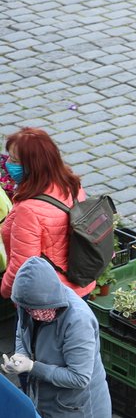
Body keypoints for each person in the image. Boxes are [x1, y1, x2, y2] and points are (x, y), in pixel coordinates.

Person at [2, 256, 112, 418]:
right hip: (49, 411)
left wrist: (33, 368)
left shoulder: (78, 321)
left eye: (33, 310)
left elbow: (79, 377)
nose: (30, 315)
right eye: (25, 309)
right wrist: (20, 358)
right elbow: (22, 334)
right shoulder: (30, 305)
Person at [1, 128, 96, 299]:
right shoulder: (71, 184)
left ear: (34, 166)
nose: (9, 164)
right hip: (80, 284)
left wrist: (6, 290)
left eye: (15, 161)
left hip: (48, 298)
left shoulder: (29, 209)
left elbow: (23, 266)